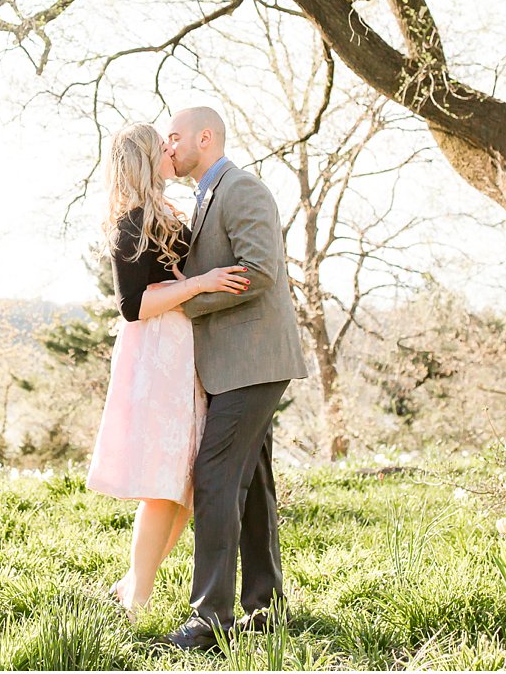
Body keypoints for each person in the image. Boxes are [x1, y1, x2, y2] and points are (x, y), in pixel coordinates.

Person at [85, 122, 250, 615]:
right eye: (163, 146)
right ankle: (137, 595)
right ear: (144, 158)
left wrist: (195, 281)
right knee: (165, 482)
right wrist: (200, 284)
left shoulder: (166, 212)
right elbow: (133, 305)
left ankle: (134, 581)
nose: (171, 150)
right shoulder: (130, 220)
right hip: (155, 356)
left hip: (182, 353)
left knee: (184, 486)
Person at [162, 106, 309, 651]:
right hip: (236, 366)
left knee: (216, 475)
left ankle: (210, 619)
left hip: (254, 362)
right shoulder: (204, 195)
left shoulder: (242, 187)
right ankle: (265, 608)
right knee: (252, 484)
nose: (169, 147)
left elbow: (259, 268)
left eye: (175, 137)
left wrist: (188, 300)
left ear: (206, 137)